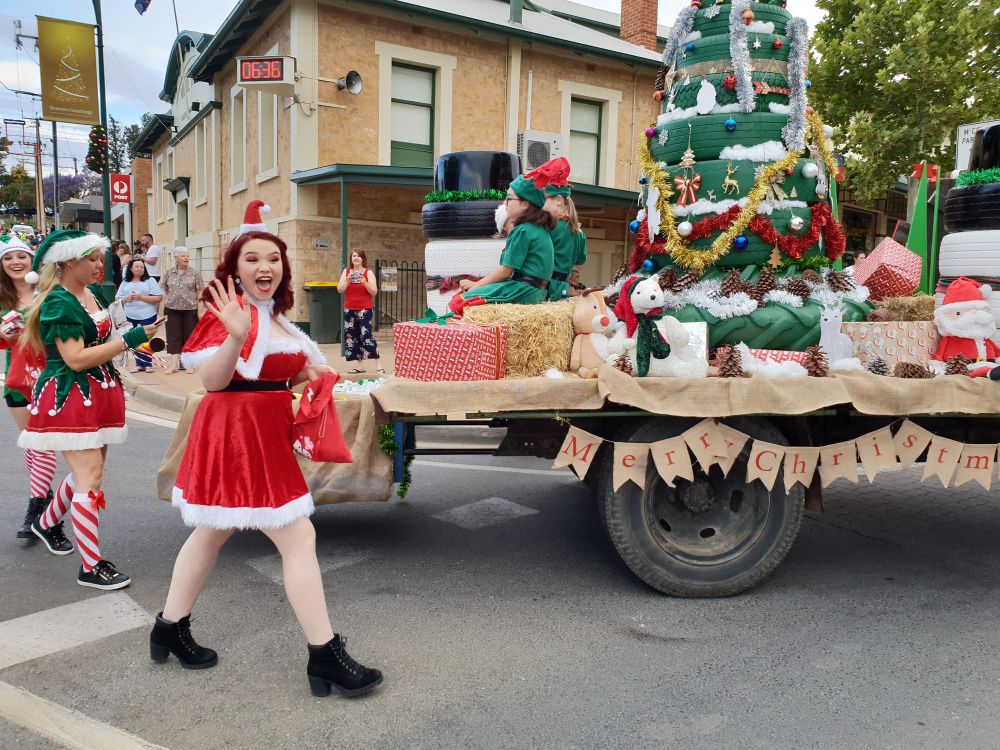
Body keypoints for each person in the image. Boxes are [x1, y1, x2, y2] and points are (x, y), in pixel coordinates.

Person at [150, 229, 383, 698]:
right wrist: (235, 336)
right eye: (252, 258)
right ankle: (325, 655)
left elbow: (272, 374)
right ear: (235, 268)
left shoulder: (274, 314)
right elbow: (214, 382)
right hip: (237, 436)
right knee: (298, 536)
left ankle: (168, 629)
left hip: (262, 435)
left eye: (273, 258)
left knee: (212, 531)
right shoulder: (230, 312)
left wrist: (309, 373)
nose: (265, 266)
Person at [19, 229, 162, 589]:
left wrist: (138, 342)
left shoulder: (91, 294)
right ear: (69, 261)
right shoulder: (58, 301)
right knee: (90, 474)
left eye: (101, 258)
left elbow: (102, 341)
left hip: (98, 391)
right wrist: (131, 339)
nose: (101, 265)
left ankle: (46, 522)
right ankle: (91, 565)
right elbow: (77, 359)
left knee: (90, 472)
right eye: (93, 259)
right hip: (70, 393)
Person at [1, 235, 58, 540]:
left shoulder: (47, 292)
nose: (15, 263)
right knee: (29, 441)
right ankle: (44, 494)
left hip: (49, 374)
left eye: (21, 256)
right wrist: (5, 336)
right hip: (17, 379)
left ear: (31, 259)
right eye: (8, 258)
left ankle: (35, 510)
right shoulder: (2, 299)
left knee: (41, 441)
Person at [453, 173, 556, 313]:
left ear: (525, 204)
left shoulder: (523, 231)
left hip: (523, 291)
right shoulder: (541, 230)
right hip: (538, 292)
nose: (505, 203)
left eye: (509, 199)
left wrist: (476, 285)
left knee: (461, 300)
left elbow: (505, 272)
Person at [540, 159, 587, 301]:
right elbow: (579, 264)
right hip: (564, 290)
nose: (541, 204)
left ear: (558, 200)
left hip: (545, 290)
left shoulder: (548, 227)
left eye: (545, 198)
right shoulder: (579, 232)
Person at [336, 249, 380, 375]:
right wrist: (347, 281)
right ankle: (360, 366)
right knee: (352, 337)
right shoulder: (346, 272)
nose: (356, 258)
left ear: (363, 259)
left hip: (364, 309)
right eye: (354, 256)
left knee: (367, 336)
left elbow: (374, 292)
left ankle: (379, 365)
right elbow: (339, 289)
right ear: (351, 258)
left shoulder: (368, 272)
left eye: (359, 256)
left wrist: (364, 282)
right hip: (349, 309)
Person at [117, 259, 164, 373]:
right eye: (137, 266)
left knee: (146, 339)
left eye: (142, 267)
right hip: (129, 315)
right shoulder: (125, 282)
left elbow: (158, 298)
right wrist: (125, 299)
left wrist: (141, 297)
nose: (139, 268)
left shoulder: (150, 280)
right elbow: (117, 298)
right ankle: (139, 364)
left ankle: (147, 364)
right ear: (131, 268)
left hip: (147, 314)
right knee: (133, 339)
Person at [161, 248, 203, 374]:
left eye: (187, 256)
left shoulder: (194, 273)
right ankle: (174, 364)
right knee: (173, 336)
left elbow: (200, 291)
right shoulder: (169, 272)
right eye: (183, 256)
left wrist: (200, 308)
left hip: (190, 309)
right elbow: (165, 288)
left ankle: (188, 364)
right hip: (171, 308)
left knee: (189, 336)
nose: (186, 258)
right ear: (176, 258)